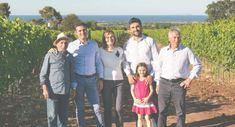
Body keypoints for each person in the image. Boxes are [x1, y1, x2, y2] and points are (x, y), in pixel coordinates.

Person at [156, 28, 201, 127]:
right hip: (164, 83)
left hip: (179, 84)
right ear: (169, 38)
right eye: (174, 37)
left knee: (180, 112)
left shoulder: (186, 50)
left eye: (178, 37)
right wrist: (158, 83)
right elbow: (158, 68)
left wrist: (189, 79)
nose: (177, 39)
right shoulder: (163, 51)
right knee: (162, 111)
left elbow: (197, 64)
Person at [67, 23, 104, 127]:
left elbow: (98, 62)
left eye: (84, 30)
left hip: (92, 80)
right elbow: (65, 58)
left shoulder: (94, 44)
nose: (82, 32)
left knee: (97, 108)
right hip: (78, 81)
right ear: (76, 33)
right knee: (80, 108)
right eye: (79, 31)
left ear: (87, 31)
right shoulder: (71, 46)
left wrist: (100, 78)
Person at [123, 17, 159, 127]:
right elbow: (125, 62)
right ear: (129, 29)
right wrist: (128, 74)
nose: (135, 29)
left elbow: (156, 60)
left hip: (148, 78)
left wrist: (152, 76)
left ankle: (154, 125)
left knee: (151, 105)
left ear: (141, 27)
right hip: (135, 80)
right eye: (133, 27)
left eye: (137, 26)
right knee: (137, 104)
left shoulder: (150, 41)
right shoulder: (127, 44)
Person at [39, 33, 73, 127]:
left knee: (63, 117)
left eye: (66, 43)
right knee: (52, 116)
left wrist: (73, 88)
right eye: (61, 43)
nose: (63, 45)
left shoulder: (70, 57)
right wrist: (44, 89)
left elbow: (72, 74)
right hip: (52, 91)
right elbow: (43, 74)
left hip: (65, 92)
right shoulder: (50, 55)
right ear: (56, 44)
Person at [100, 30, 127, 127]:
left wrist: (129, 74)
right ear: (104, 39)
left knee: (118, 108)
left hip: (119, 82)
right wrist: (100, 79)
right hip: (106, 82)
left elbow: (124, 64)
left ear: (114, 38)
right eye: (107, 37)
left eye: (111, 36)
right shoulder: (100, 51)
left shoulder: (119, 50)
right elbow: (98, 66)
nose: (109, 39)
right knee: (107, 108)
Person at [131, 62, 157, 127]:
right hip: (138, 102)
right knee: (139, 118)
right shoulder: (135, 79)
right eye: (140, 70)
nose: (142, 72)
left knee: (147, 118)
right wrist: (135, 99)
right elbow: (132, 90)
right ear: (137, 70)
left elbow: (152, 90)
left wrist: (147, 98)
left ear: (146, 70)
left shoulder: (148, 79)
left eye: (143, 70)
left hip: (146, 102)